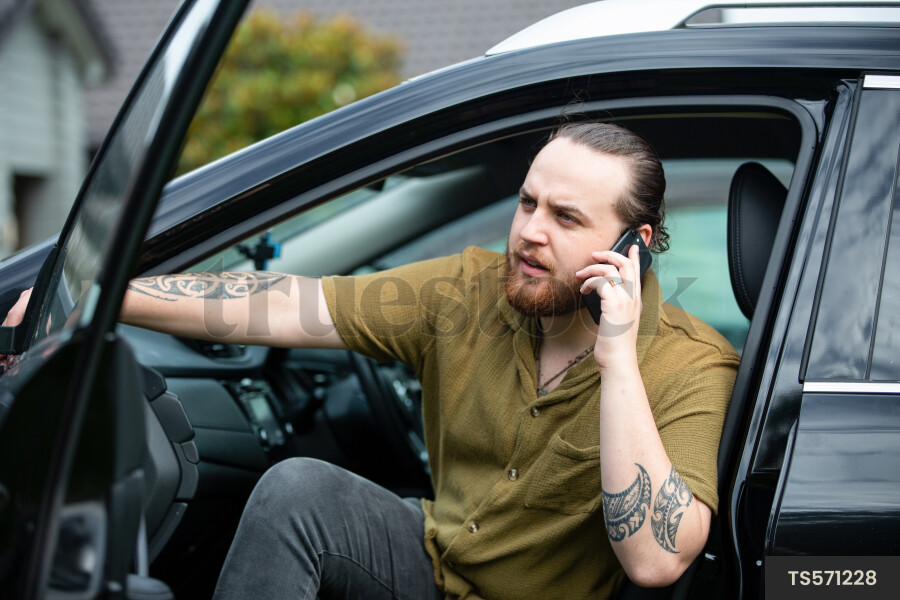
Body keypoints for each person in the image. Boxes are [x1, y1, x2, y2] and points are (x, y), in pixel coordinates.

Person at [12, 122, 740, 599]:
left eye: (566, 217)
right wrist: (102, 300)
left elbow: (656, 559)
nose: (529, 232)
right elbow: (290, 304)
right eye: (528, 203)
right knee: (299, 488)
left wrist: (617, 360)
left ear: (634, 244)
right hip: (431, 566)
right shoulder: (467, 290)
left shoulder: (693, 366)